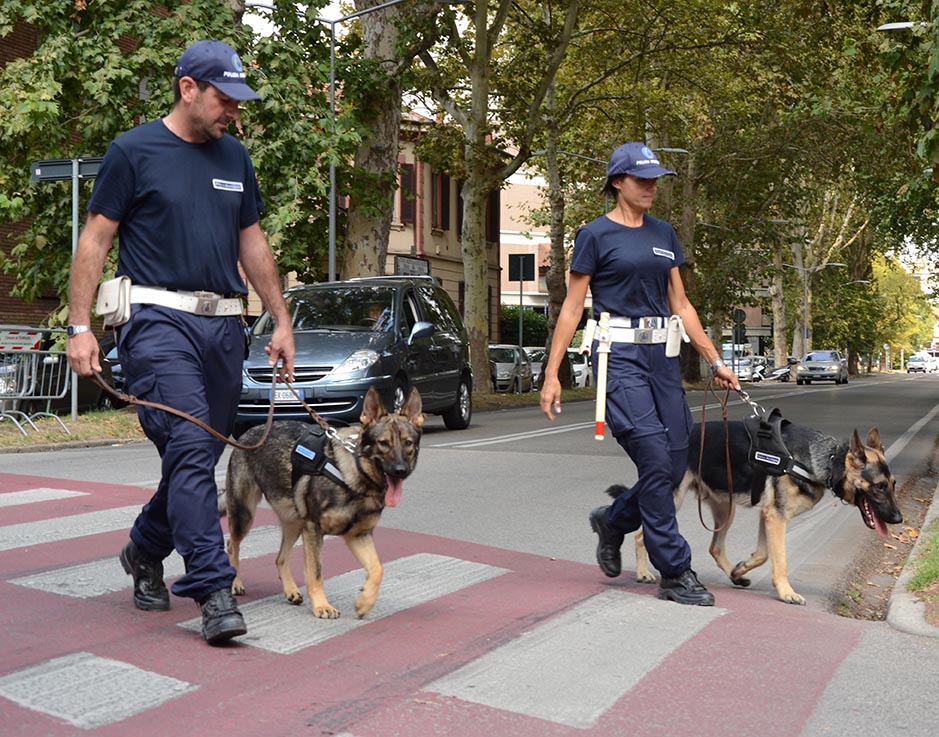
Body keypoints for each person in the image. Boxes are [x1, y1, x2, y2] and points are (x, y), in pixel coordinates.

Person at [66, 40, 295, 644]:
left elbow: (253, 243)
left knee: (194, 456)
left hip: (223, 328)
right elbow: (94, 240)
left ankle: (144, 550)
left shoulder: (235, 158)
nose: (233, 113)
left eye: (238, 102)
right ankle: (214, 590)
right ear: (187, 88)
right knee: (192, 445)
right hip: (156, 322)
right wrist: (80, 326)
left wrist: (280, 319)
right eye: (224, 98)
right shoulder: (133, 151)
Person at [539, 142, 739, 606]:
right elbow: (572, 308)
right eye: (641, 179)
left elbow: (681, 304)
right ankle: (675, 571)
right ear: (617, 182)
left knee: (672, 463)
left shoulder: (664, 233)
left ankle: (613, 520)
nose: (651, 186)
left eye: (655, 179)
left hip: (662, 360)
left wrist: (714, 360)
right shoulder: (594, 235)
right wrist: (552, 373)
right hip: (618, 359)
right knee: (652, 454)